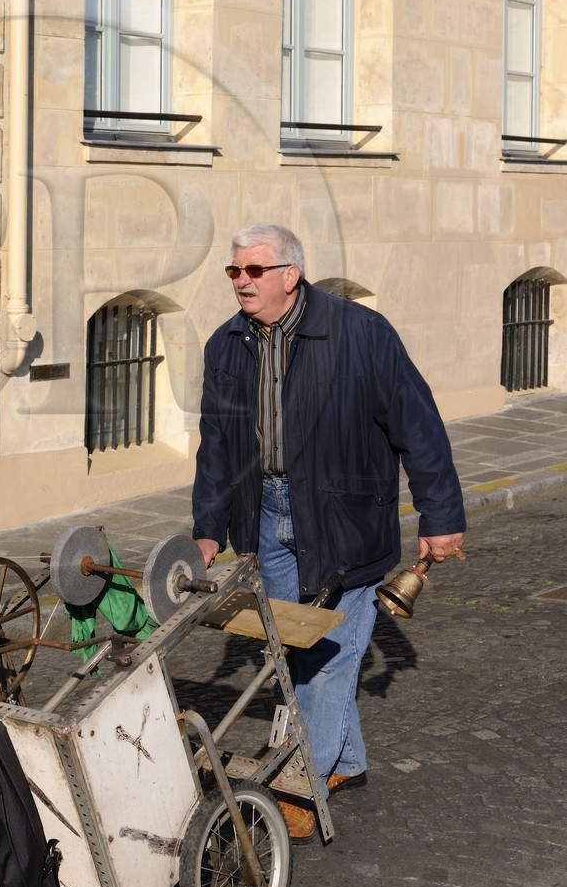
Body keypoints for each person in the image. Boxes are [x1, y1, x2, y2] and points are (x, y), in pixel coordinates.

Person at [191, 223, 465, 843]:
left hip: (346, 517)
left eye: (254, 270)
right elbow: (217, 447)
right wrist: (208, 529)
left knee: (329, 654)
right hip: (266, 514)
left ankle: (303, 786)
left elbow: (418, 425)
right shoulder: (226, 344)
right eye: (234, 271)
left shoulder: (361, 333)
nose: (241, 282)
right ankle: (347, 761)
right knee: (297, 647)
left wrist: (441, 516)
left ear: (290, 274)